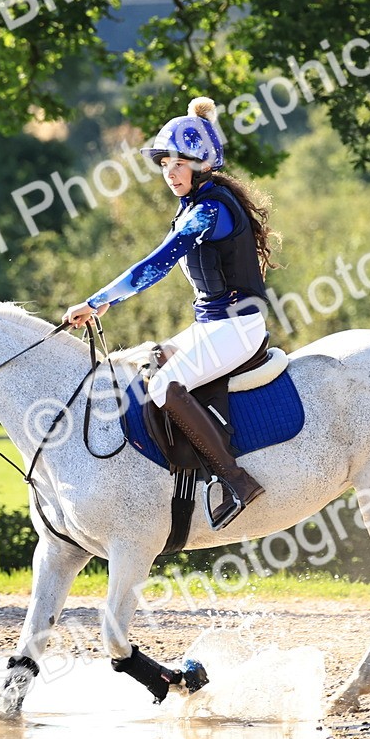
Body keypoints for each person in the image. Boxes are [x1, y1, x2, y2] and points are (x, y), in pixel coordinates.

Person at [63, 96, 278, 526]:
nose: (170, 173)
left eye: (179, 164)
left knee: (164, 387)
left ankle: (236, 482)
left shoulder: (211, 210)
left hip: (238, 328)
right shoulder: (195, 207)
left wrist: (99, 301)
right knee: (151, 360)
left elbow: (155, 264)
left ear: (202, 165)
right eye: (164, 165)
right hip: (212, 325)